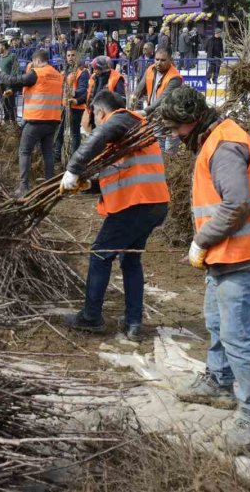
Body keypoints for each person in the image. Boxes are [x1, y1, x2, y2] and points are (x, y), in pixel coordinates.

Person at [159, 86, 250, 453]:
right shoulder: (214, 137)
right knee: (215, 320)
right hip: (229, 253)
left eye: (175, 128)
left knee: (237, 336)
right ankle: (219, 381)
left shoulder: (224, 148)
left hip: (246, 254)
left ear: (193, 120)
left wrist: (202, 240)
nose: (173, 135)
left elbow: (237, 205)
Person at [60, 89, 169, 340]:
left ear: (100, 112)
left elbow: (100, 134)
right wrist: (88, 185)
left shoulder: (122, 119)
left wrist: (73, 169)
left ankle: (91, 317)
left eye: (95, 117)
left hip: (135, 206)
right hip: (152, 205)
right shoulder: (128, 132)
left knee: (100, 254)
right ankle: (133, 323)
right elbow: (120, 173)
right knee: (130, 260)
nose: (95, 123)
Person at [0, 49, 62, 197]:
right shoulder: (57, 75)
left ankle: (24, 186)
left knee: (24, 151)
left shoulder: (37, 72)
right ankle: (50, 183)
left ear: (37, 61)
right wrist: (14, 90)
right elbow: (36, 88)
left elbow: (13, 80)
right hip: (53, 120)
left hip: (36, 120)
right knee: (48, 153)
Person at [54, 49, 89, 164]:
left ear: (77, 56)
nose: (70, 57)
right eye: (68, 55)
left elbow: (83, 89)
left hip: (75, 106)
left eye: (73, 55)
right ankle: (57, 155)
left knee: (74, 133)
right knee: (59, 131)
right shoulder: (65, 71)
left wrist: (72, 94)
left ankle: (74, 158)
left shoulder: (82, 72)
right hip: (64, 105)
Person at [82, 57, 125, 133]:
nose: (94, 71)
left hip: (109, 118)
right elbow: (89, 94)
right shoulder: (94, 77)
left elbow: (122, 100)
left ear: (103, 69)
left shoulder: (116, 78)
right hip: (95, 115)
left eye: (96, 68)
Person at [135, 48, 183, 116]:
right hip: (152, 113)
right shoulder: (150, 69)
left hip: (167, 116)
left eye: (163, 60)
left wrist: (145, 111)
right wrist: (133, 98)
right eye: (157, 59)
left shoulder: (175, 78)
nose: (158, 63)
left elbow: (163, 98)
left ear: (170, 60)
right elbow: (140, 88)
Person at [0, 40, 20, 124]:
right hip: (2, 84)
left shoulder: (12, 56)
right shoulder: (1, 57)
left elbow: (15, 70)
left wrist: (11, 85)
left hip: (9, 84)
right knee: (4, 103)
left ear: (3, 46)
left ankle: (13, 120)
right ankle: (6, 119)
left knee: (11, 102)